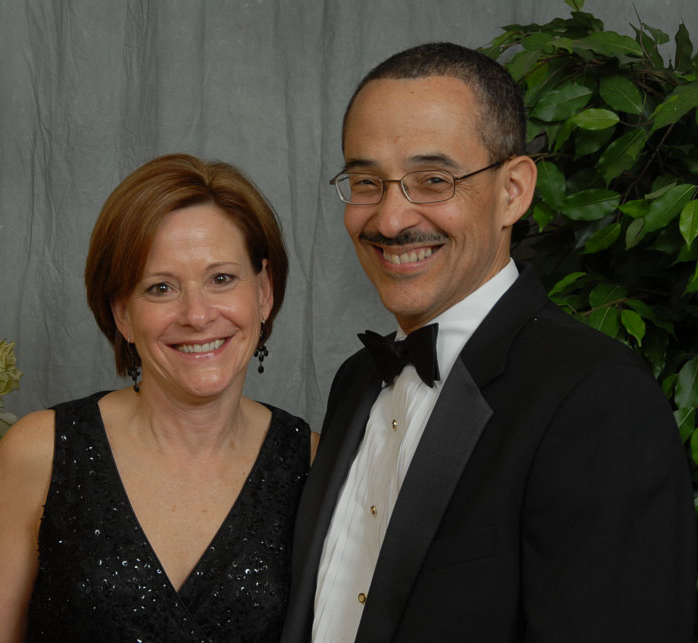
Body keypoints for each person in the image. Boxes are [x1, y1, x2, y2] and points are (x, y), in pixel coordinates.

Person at [281, 42, 696, 642]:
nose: (390, 220)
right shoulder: (357, 380)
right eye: (367, 182)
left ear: (513, 191)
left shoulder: (598, 399)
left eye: (433, 180)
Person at [0, 153, 317, 642]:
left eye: (221, 279)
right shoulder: (38, 455)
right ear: (122, 313)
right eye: (161, 287)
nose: (197, 315)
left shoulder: (316, 464)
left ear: (265, 291)